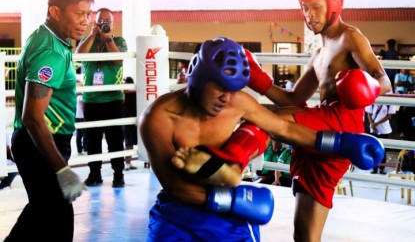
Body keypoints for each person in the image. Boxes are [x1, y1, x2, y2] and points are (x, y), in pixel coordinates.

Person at [196, 0, 391, 241]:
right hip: (320, 129)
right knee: (305, 235)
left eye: (316, 7)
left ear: (333, 5)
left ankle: (228, 166)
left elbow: (384, 79)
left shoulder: (351, 37)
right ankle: (226, 166)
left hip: (341, 127)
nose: (309, 14)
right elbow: (295, 98)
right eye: (304, 8)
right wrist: (257, 79)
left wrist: (367, 87)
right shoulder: (319, 53)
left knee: (269, 118)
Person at [139, 37, 385, 241]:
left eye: (234, 89)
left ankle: (224, 169)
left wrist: (340, 142)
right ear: (198, 79)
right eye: (221, 88)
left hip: (227, 213)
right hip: (179, 211)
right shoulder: (157, 118)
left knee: (260, 125)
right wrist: (234, 201)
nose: (227, 98)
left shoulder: (238, 102)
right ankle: (221, 171)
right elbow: (174, 185)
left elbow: (283, 129)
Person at [5, 0, 93, 241]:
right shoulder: (51, 51)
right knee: (57, 223)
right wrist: (61, 169)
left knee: (43, 216)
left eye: (88, 14)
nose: (85, 21)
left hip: (36, 143)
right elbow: (32, 116)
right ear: (55, 11)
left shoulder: (45, 37)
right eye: (79, 13)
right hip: (41, 144)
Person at [76, 7, 127, 188]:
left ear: (113, 23)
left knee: (115, 140)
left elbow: (118, 61)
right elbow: (78, 56)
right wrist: (92, 35)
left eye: (108, 21)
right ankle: (94, 174)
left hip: (112, 99)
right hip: (91, 100)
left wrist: (108, 38)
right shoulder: (87, 40)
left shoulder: (119, 41)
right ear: (95, 22)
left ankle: (118, 175)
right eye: (101, 21)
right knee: (92, 140)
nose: (105, 23)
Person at [365, 100, 396, 174]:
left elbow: (389, 116)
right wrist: (372, 124)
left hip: (384, 130)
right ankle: (374, 168)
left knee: (383, 150)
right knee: (373, 149)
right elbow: (368, 114)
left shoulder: (389, 102)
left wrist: (376, 124)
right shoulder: (372, 100)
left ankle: (382, 168)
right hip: (373, 130)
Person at [122, 76, 138, 171]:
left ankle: (128, 163)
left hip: (128, 119)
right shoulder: (133, 93)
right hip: (130, 120)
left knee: (129, 142)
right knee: (129, 142)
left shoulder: (126, 93)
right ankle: (127, 163)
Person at [76, 90, 88, 155]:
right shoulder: (81, 97)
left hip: (77, 117)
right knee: (85, 134)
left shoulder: (77, 97)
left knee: (79, 134)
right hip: (82, 117)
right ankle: (85, 148)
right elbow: (83, 106)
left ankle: (79, 149)